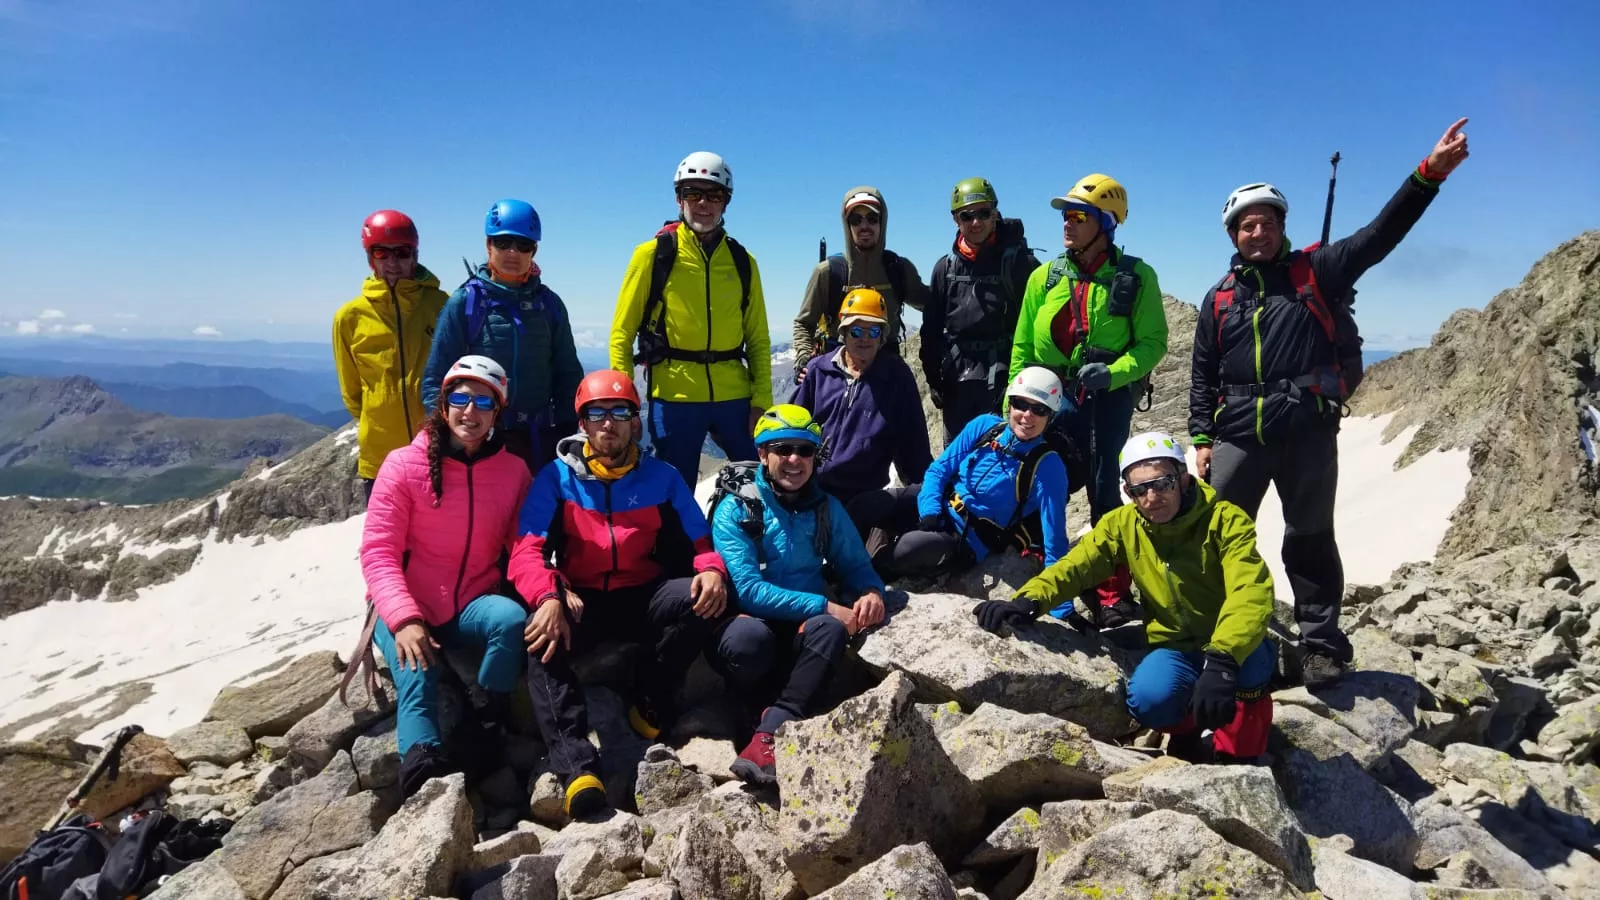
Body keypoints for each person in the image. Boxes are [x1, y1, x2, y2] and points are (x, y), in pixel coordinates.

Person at [1190, 118, 1471, 687]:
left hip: (1306, 431)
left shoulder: (1316, 272)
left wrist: (1428, 176)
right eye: (1246, 225)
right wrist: (1200, 438)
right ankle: (1216, 633)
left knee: (1309, 537)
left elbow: (1379, 236)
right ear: (1232, 236)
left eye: (1267, 223)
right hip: (1238, 434)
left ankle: (1320, 645)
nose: (1257, 232)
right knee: (1216, 535)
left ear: (1282, 228)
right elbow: (1203, 374)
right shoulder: (1218, 299)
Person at [974, 432, 1277, 762]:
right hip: (1175, 644)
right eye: (1139, 489)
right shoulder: (1123, 524)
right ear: (1128, 492)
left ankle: (1241, 756)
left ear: (1183, 478)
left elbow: (1250, 590)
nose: (1151, 497)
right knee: (1148, 699)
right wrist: (1028, 600)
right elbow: (1077, 566)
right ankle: (1189, 729)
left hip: (1233, 644)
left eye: (1162, 483)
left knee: (1250, 673)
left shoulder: (1224, 519)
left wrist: (1222, 661)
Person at [509, 369, 729, 818]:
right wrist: (549, 594)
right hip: (582, 599)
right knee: (540, 637)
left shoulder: (661, 478)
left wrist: (710, 570)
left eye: (619, 412)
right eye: (597, 414)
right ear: (583, 424)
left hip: (642, 595)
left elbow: (701, 544)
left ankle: (649, 700)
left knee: (707, 599)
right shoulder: (556, 479)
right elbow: (525, 551)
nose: (608, 423)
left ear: (635, 422)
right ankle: (576, 766)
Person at [360, 355, 532, 798]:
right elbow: (378, 553)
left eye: (483, 403)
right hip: (407, 602)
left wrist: (550, 591)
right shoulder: (402, 465)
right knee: (418, 673)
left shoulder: (512, 472)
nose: (469, 412)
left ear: (498, 412)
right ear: (443, 403)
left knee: (511, 621)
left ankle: (485, 717)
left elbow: (522, 548)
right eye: (460, 398)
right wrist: (404, 619)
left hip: (470, 602)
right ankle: (424, 771)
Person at [1010, 173, 1168, 627]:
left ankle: (1110, 595)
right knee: (1042, 482)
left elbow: (1153, 342)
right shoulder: (1047, 276)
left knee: (1103, 491)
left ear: (1107, 222)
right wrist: (1014, 403)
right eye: (1065, 215)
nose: (1067, 223)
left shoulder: (1136, 276)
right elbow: (1023, 347)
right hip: (1050, 397)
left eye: (1078, 216)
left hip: (1107, 399)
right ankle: (1041, 572)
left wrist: (1115, 373)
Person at [705, 404, 886, 785]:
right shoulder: (735, 509)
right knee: (748, 641)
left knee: (830, 631)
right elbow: (749, 591)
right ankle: (750, 712)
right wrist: (825, 605)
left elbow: (855, 564)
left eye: (805, 451)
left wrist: (870, 591)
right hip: (751, 623)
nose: (794, 460)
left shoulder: (825, 508)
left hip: (798, 629)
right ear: (762, 454)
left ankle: (771, 729)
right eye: (782, 449)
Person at [610, 151, 772, 486]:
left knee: (761, 481)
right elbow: (621, 334)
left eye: (713, 195)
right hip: (674, 395)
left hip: (733, 394)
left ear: (725, 203)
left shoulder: (743, 261)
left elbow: (757, 338)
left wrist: (761, 402)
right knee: (673, 491)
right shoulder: (652, 255)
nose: (703, 203)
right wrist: (623, 404)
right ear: (678, 199)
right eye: (692, 193)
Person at [855, 367, 1070, 580]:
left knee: (908, 548)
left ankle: (861, 576)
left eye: (1039, 409)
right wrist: (930, 511)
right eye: (1021, 404)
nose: (1027, 416)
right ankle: (842, 560)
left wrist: (1058, 604)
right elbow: (939, 470)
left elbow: (1055, 540)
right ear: (1010, 403)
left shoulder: (1048, 466)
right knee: (865, 505)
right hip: (938, 503)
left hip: (968, 537)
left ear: (1050, 415)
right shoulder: (985, 426)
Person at [422, 198, 583, 472]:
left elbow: (567, 374)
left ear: (534, 250)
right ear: (488, 245)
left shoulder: (549, 305)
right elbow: (436, 379)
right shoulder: (465, 303)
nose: (513, 252)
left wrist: (568, 430)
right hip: (479, 439)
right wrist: (446, 434)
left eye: (523, 245)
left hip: (539, 440)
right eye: (503, 242)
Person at [334, 209, 450, 498]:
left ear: (415, 255)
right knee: (387, 542)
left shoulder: (442, 305)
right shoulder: (349, 317)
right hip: (380, 457)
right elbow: (352, 394)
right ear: (369, 257)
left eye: (401, 252)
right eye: (381, 253)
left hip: (437, 450)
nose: (393, 262)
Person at [792, 288, 931, 526]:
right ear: (843, 332)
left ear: (882, 336)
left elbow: (913, 444)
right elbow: (791, 429)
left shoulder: (896, 377)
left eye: (873, 330)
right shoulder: (819, 371)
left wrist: (928, 497)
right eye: (856, 330)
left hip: (865, 498)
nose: (864, 338)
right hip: (812, 492)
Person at [922, 178, 1042, 442]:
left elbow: (1040, 325)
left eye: (983, 213)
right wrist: (933, 378)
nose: (976, 222)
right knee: (957, 460)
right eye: (967, 215)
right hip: (956, 383)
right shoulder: (946, 269)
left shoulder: (1022, 265)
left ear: (995, 213)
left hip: (1006, 380)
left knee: (1002, 461)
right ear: (956, 219)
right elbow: (930, 329)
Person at [792, 186, 928, 375]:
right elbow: (804, 323)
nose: (864, 226)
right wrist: (804, 360)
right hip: (837, 372)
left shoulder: (898, 269)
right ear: (847, 225)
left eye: (872, 218)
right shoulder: (828, 272)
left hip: (887, 372)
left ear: (882, 222)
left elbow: (931, 303)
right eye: (856, 220)